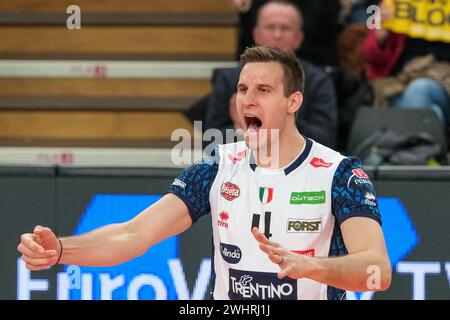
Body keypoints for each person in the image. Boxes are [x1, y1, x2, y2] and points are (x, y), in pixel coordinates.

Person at [18, 46, 391, 300]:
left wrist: (314, 267)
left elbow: (377, 270)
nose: (248, 98)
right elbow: (133, 234)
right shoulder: (216, 168)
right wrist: (63, 249)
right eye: (243, 88)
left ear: (293, 101)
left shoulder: (340, 173)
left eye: (263, 89)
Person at [205, 0, 338, 148]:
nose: (277, 35)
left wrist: (279, 118)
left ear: (298, 38)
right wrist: (241, 130)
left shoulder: (318, 81)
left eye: (286, 28)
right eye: (270, 27)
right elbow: (210, 142)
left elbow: (325, 140)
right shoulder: (229, 80)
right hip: (241, 167)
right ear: (256, 34)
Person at [362, 1, 450, 128]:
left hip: (441, 83)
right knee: (432, 112)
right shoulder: (395, 4)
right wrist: (380, 33)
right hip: (396, 85)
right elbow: (371, 58)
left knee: (420, 90)